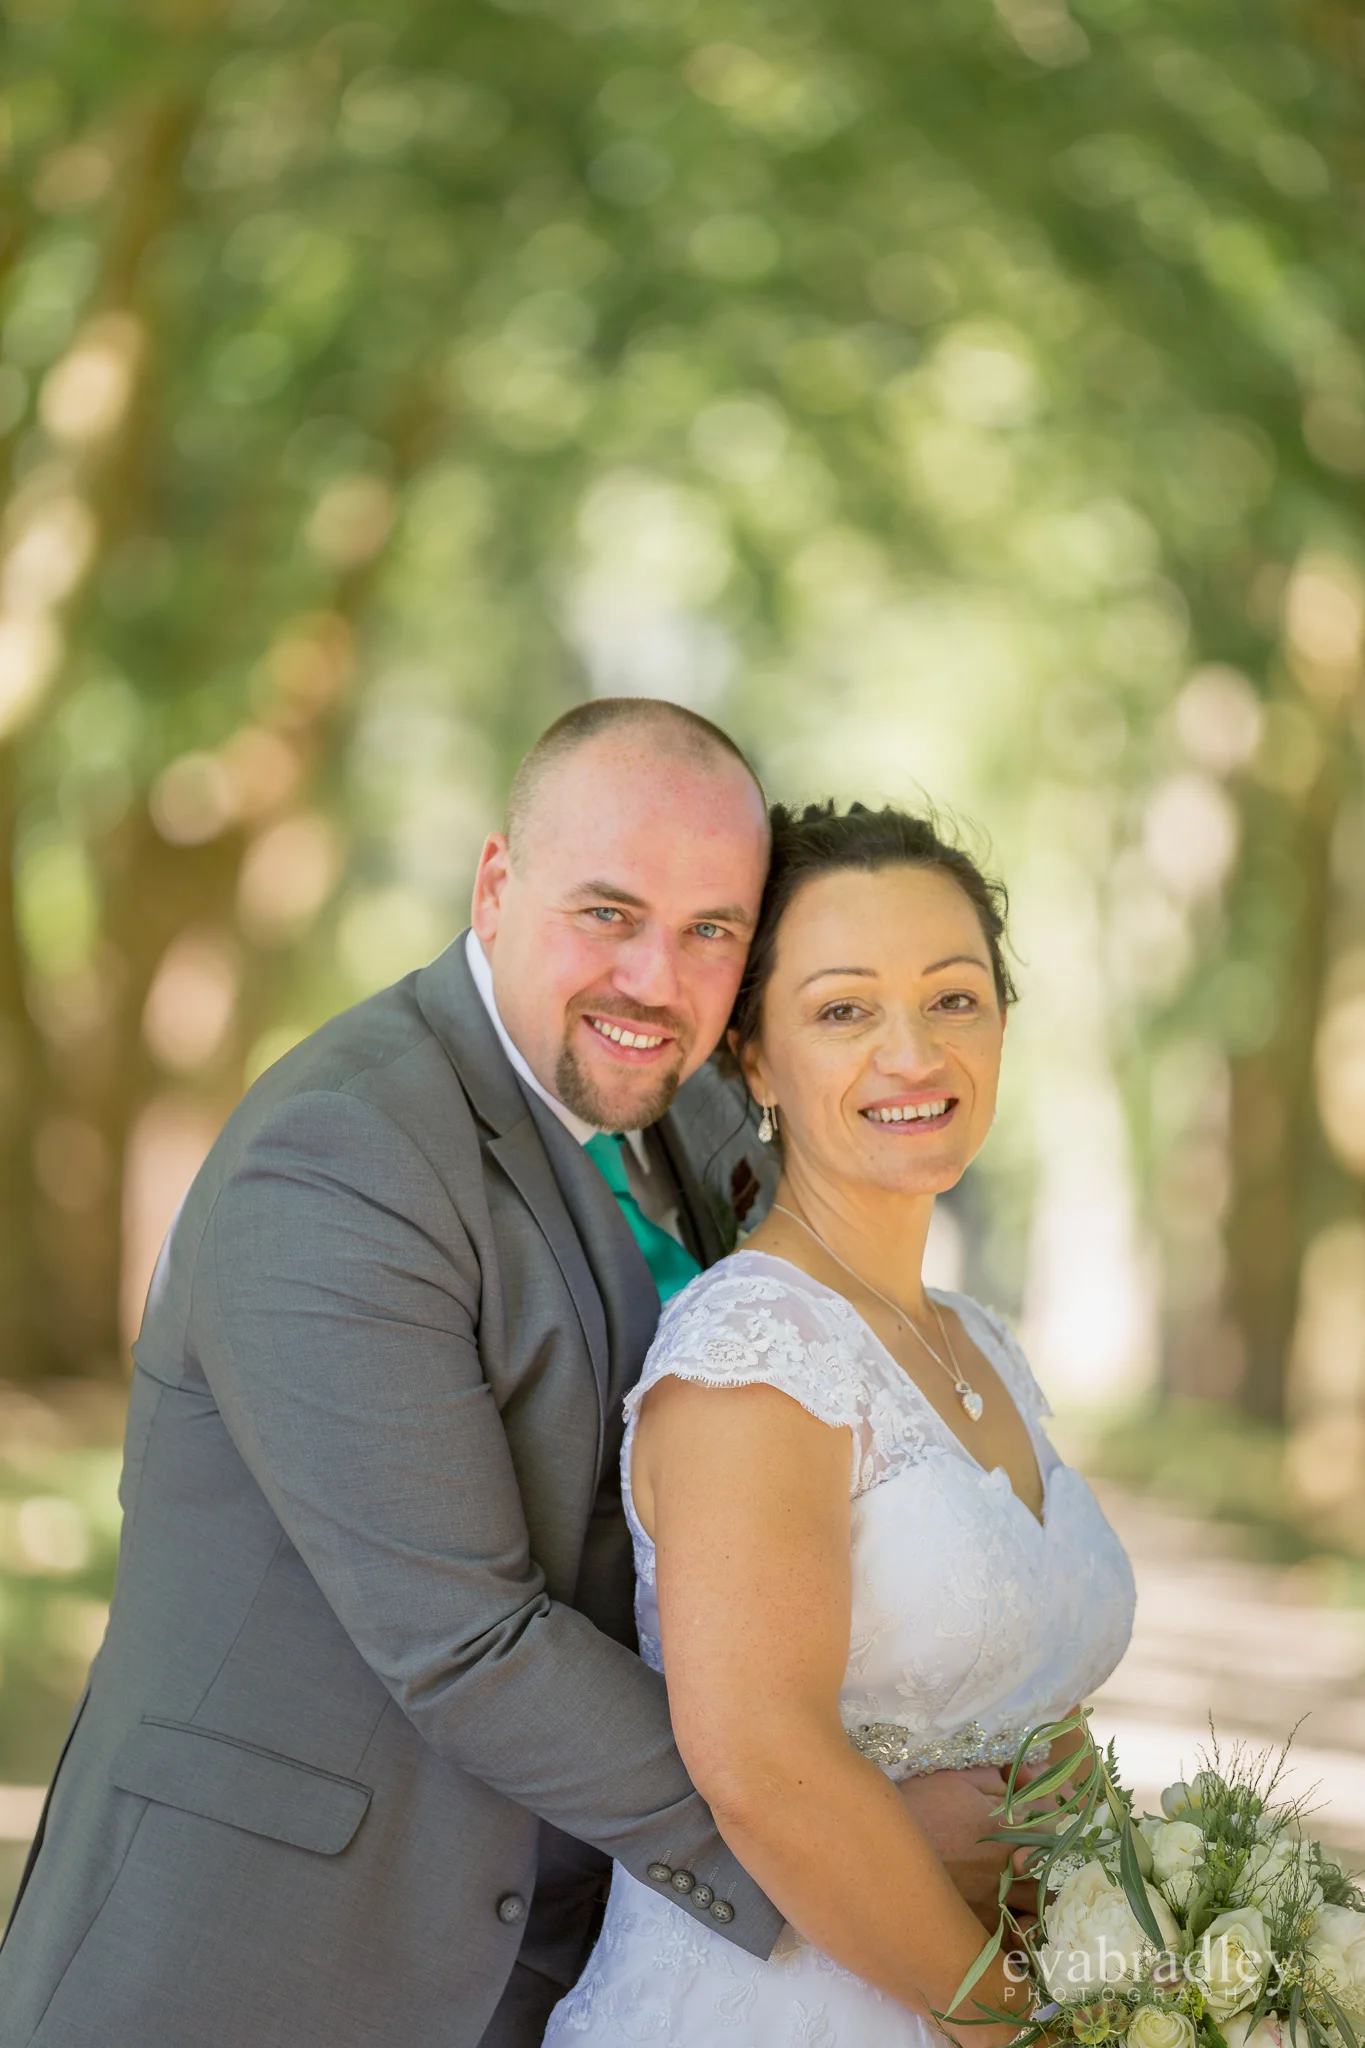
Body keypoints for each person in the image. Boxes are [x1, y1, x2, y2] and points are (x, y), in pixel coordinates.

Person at [0, 706, 1018, 2048]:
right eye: (609, 913)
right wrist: (848, 1836)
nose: (658, 981)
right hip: (269, 1966)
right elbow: (468, 1642)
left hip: (576, 1967)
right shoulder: (340, 1157)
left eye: (713, 930)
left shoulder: (700, 1108)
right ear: (494, 885)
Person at [545, 799, 1137, 2046]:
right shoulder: (755, 1359)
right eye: (844, 1008)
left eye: (954, 997)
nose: (914, 1053)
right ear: (754, 1058)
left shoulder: (982, 1341)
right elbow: (762, 1768)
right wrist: (1007, 2024)